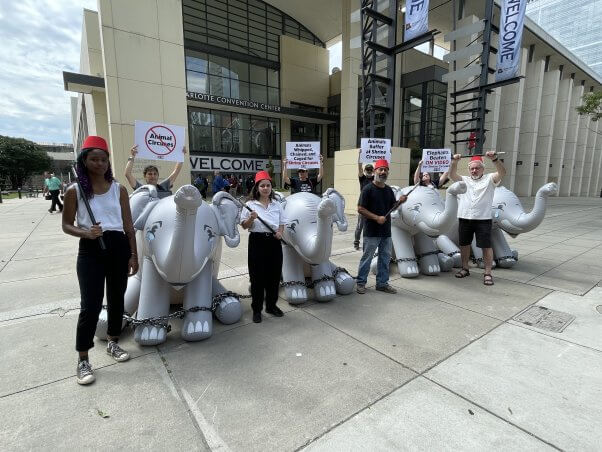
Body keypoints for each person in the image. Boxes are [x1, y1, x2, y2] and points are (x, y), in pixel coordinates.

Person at [62, 135, 138, 385]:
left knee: (117, 300)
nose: (100, 163)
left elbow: (128, 225)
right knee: (90, 305)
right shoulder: (75, 191)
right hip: (91, 249)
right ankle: (83, 358)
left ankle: (113, 342)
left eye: (104, 159)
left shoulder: (119, 189)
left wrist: (133, 254)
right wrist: (86, 232)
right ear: (84, 161)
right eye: (94, 159)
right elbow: (66, 225)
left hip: (118, 247)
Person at [448, 151, 506, 286]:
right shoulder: (464, 180)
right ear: (469, 169)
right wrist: (455, 162)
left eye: (477, 168)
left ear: (483, 169)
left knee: (486, 246)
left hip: (483, 219)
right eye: (472, 168)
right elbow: (451, 175)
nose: (474, 170)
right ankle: (465, 268)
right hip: (464, 217)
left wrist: (495, 159)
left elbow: (502, 173)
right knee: (464, 244)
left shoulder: (490, 178)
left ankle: (487, 273)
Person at [240, 170, 286, 324]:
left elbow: (282, 223)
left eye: (268, 185)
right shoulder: (249, 205)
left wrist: (280, 232)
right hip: (257, 242)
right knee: (257, 277)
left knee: (274, 276)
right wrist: (251, 219)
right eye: (262, 186)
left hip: (274, 242)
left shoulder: (277, 204)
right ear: (257, 187)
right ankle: (257, 310)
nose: (265, 188)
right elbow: (245, 226)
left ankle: (271, 306)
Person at [356, 159, 406, 295]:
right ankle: (360, 283)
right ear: (375, 171)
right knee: (367, 258)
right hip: (371, 232)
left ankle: (382, 283)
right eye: (380, 169)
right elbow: (360, 209)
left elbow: (392, 208)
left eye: (385, 170)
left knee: (384, 259)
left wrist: (400, 202)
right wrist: (377, 218)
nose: (383, 172)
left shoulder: (389, 190)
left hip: (386, 232)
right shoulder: (367, 189)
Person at [354, 156, 374, 250]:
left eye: (370, 170)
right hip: (363, 206)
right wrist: (360, 156)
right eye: (367, 170)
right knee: (360, 226)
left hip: (373, 207)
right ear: (365, 171)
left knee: (369, 227)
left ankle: (368, 244)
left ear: (373, 171)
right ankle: (356, 242)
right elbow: (359, 167)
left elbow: (384, 170)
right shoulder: (362, 179)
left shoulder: (375, 179)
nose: (369, 171)